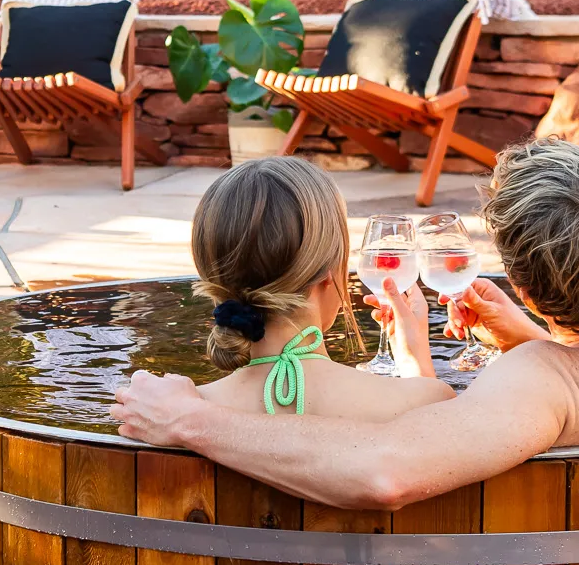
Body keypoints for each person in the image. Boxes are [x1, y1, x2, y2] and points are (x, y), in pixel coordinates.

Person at [111, 138, 579, 509]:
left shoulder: (538, 382)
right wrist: (536, 337)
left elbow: (385, 473)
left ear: (526, 286)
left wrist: (189, 420)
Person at [176, 156, 455, 422]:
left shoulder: (177, 411)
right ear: (328, 270)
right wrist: (415, 367)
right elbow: (433, 437)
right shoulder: (416, 403)